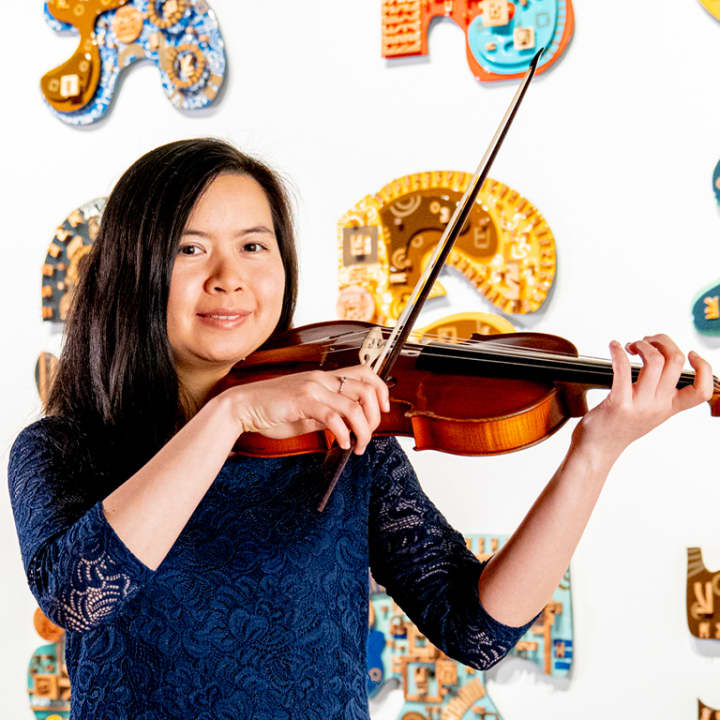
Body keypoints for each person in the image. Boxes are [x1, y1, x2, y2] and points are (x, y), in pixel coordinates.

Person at [8, 139, 714, 719]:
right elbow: (78, 594)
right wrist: (230, 414)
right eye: (189, 250)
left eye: (254, 246)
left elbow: (477, 629)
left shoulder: (343, 437)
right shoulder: (62, 448)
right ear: (133, 269)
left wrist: (595, 452)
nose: (229, 277)